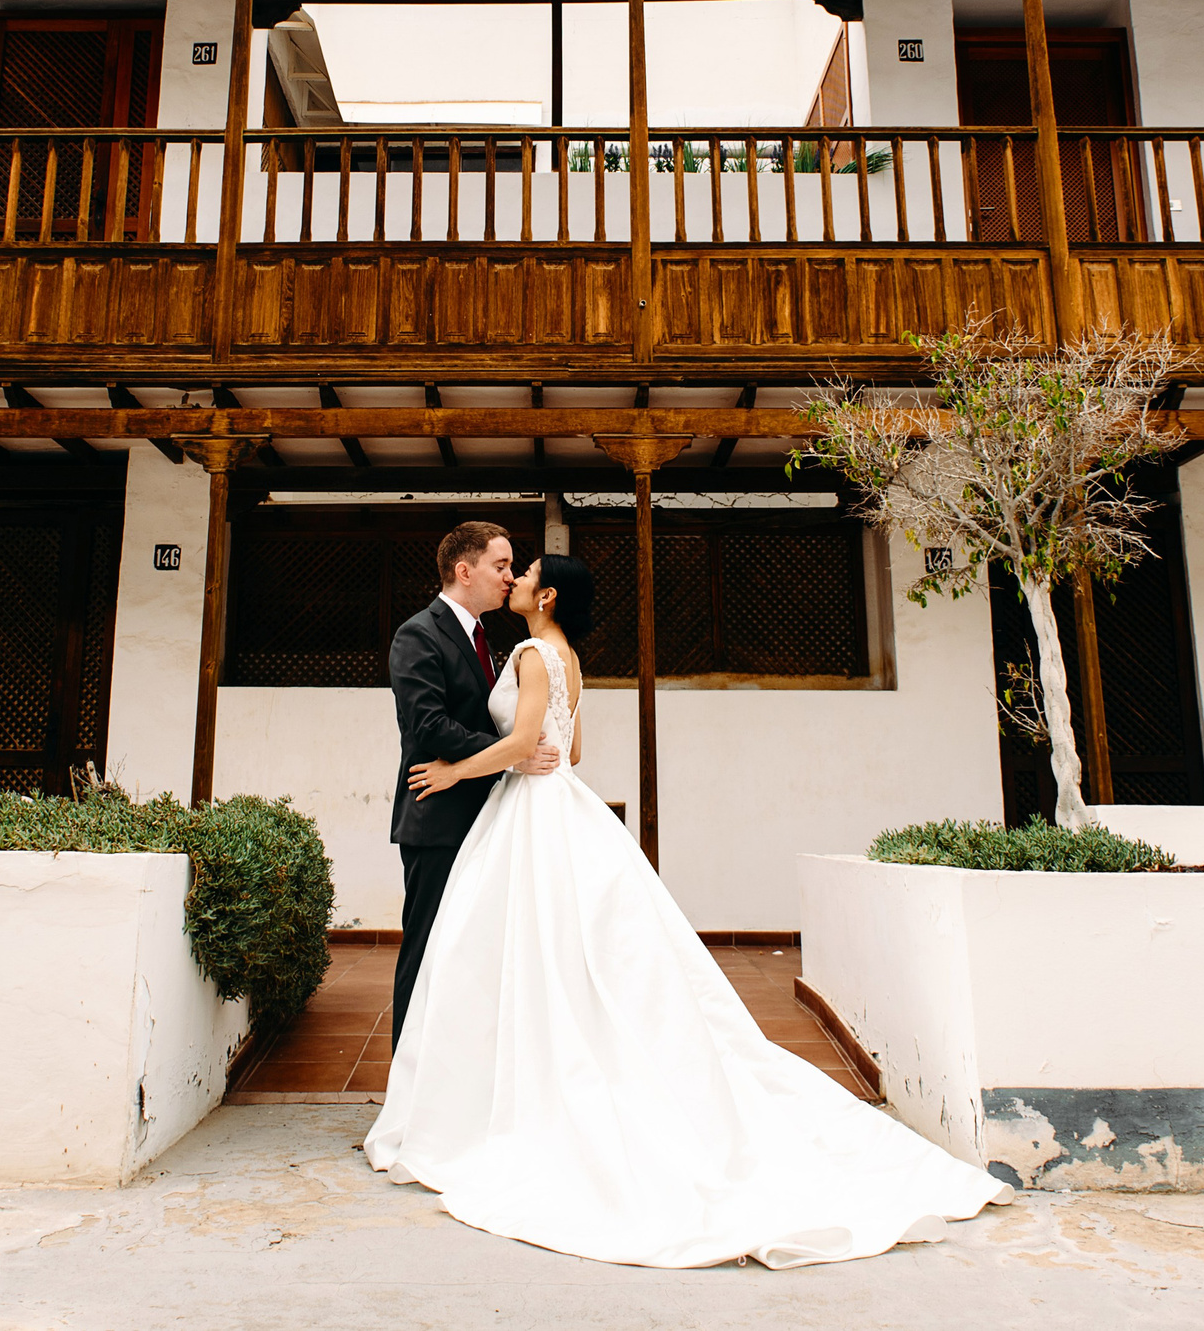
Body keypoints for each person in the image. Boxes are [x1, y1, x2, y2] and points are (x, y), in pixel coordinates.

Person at [365, 553, 1013, 1269]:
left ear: (544, 595)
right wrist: (530, 753)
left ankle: (500, 1095)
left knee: (518, 950)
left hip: (525, 810)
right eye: (506, 568)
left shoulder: (526, 651)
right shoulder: (566, 655)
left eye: (525, 574)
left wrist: (458, 768)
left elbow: (525, 746)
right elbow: (570, 746)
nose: (513, 579)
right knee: (562, 953)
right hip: (563, 806)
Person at [385, 521, 560, 1045]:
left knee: (471, 957)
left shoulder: (489, 639)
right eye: (500, 566)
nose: (509, 577)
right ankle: (406, 1086)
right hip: (438, 816)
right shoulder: (418, 633)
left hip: (487, 818)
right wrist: (512, 758)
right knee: (426, 948)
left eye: (512, 568)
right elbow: (428, 725)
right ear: (465, 571)